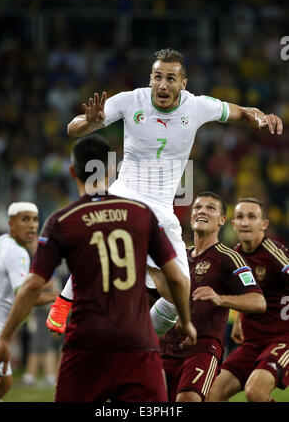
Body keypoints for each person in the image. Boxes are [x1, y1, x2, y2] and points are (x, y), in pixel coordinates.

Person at [47, 48, 283, 336]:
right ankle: (64, 301)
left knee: (179, 292)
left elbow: (243, 113)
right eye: (157, 77)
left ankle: (142, 340)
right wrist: (91, 122)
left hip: (161, 207)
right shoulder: (131, 100)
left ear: (183, 84)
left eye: (171, 78)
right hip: (126, 192)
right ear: (150, 79)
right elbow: (73, 129)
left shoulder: (197, 107)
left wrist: (259, 119)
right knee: (106, 240)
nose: (162, 84)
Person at [0, 134, 197, 403]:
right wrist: (186, 320)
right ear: (111, 171)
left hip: (87, 339)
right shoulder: (141, 215)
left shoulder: (61, 221)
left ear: (72, 171)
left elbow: (31, 285)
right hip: (136, 339)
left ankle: (64, 305)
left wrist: (5, 339)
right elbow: (178, 280)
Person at [159, 191, 266, 402]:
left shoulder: (229, 258)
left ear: (222, 220)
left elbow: (258, 301)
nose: (202, 211)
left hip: (202, 348)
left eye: (210, 208)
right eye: (198, 207)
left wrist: (219, 298)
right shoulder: (178, 256)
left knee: (188, 399)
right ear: (191, 216)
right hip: (165, 348)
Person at [207, 198, 289, 402]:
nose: (245, 222)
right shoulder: (234, 257)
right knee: (211, 394)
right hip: (252, 342)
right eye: (240, 217)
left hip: (282, 340)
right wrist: (241, 319)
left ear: (264, 224)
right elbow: (250, 290)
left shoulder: (275, 255)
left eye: (252, 217)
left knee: (255, 392)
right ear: (233, 224)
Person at [0, 202, 57, 402]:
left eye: (35, 220)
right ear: (11, 223)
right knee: (3, 384)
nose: (32, 225)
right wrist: (58, 297)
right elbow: (25, 296)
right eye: (25, 219)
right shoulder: (19, 253)